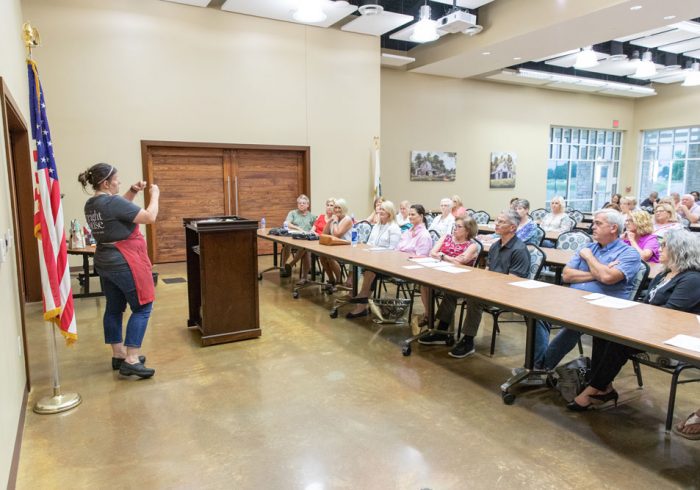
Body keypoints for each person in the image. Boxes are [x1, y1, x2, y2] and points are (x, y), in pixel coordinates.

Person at [568, 230, 700, 415]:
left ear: (680, 250)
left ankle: (593, 389)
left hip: (670, 334)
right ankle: (603, 387)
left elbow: (670, 314)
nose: (659, 250)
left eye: (664, 246)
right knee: (602, 331)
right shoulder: (664, 275)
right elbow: (648, 304)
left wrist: (635, 318)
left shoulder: (692, 279)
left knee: (618, 341)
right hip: (650, 325)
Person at [534, 209, 641, 371]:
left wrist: (590, 259)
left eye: (598, 223)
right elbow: (567, 275)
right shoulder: (588, 247)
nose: (593, 227)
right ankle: (540, 366)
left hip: (606, 308)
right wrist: (600, 271)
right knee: (536, 312)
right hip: (575, 300)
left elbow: (608, 278)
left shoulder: (628, 253)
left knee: (573, 324)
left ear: (613, 228)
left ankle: (539, 368)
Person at [79, 163, 159, 379]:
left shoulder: (92, 204)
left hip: (105, 261)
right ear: (106, 183)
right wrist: (155, 196)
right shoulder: (111, 202)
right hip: (125, 261)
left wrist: (133, 191)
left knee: (114, 308)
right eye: (116, 179)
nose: (119, 182)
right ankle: (132, 359)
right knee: (143, 306)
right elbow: (149, 217)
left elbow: (117, 209)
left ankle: (118, 354)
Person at [445, 210, 531, 358]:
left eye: (501, 222)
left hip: (508, 293)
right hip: (492, 287)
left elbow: (513, 282)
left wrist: (485, 287)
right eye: (496, 220)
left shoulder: (519, 250)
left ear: (513, 228)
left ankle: (468, 340)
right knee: (451, 289)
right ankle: (441, 331)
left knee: (474, 298)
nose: (496, 224)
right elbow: (487, 270)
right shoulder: (495, 246)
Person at [414, 216, 481, 345]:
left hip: (460, 281)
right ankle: (429, 316)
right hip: (439, 274)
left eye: (458, 227)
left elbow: (460, 262)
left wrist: (443, 255)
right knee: (425, 284)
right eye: (454, 226)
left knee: (450, 292)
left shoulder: (472, 246)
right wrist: (451, 258)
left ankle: (441, 330)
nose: (455, 228)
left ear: (467, 230)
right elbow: (432, 252)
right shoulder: (446, 237)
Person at [346, 201, 403, 318]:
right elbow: (370, 243)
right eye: (380, 209)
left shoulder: (394, 228)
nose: (380, 211)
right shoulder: (377, 226)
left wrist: (376, 252)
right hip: (373, 260)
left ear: (390, 213)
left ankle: (362, 297)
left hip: (388, 263)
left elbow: (393, 250)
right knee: (368, 268)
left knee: (370, 270)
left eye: (384, 210)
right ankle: (362, 302)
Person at [396, 204, 433, 325]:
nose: (410, 216)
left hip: (416, 268)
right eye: (409, 214)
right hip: (402, 263)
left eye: (413, 214)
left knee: (424, 285)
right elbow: (399, 247)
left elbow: (422, 257)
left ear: (421, 216)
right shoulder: (408, 231)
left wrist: (405, 256)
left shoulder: (424, 235)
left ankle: (428, 314)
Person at [280, 194, 316, 279]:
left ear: (308, 205)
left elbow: (316, 227)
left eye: (304, 203)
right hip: (293, 237)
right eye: (299, 203)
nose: (301, 204)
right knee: (287, 245)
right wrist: (298, 228)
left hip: (305, 240)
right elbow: (287, 223)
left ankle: (293, 267)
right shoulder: (292, 213)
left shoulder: (312, 216)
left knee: (306, 250)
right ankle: (283, 267)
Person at [320, 198, 353, 288]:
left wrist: (334, 221)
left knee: (330, 257)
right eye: (336, 208)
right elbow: (324, 234)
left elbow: (337, 234)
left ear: (344, 208)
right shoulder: (335, 219)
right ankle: (331, 279)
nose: (337, 210)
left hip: (346, 248)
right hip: (335, 246)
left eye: (339, 208)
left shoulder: (347, 219)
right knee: (322, 256)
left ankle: (339, 280)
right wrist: (330, 220)